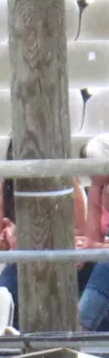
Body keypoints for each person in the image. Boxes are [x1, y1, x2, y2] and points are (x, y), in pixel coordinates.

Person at [0, 140, 89, 329]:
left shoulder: (68, 182)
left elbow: (81, 231)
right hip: (23, 260)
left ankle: (81, 331)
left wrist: (54, 239)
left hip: (64, 258)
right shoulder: (1, 187)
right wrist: (6, 239)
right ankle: (8, 342)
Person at [76, 135, 109, 331]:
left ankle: (80, 328)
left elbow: (95, 245)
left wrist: (93, 247)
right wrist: (96, 190)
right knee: (78, 265)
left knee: (105, 267)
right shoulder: (99, 189)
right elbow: (93, 239)